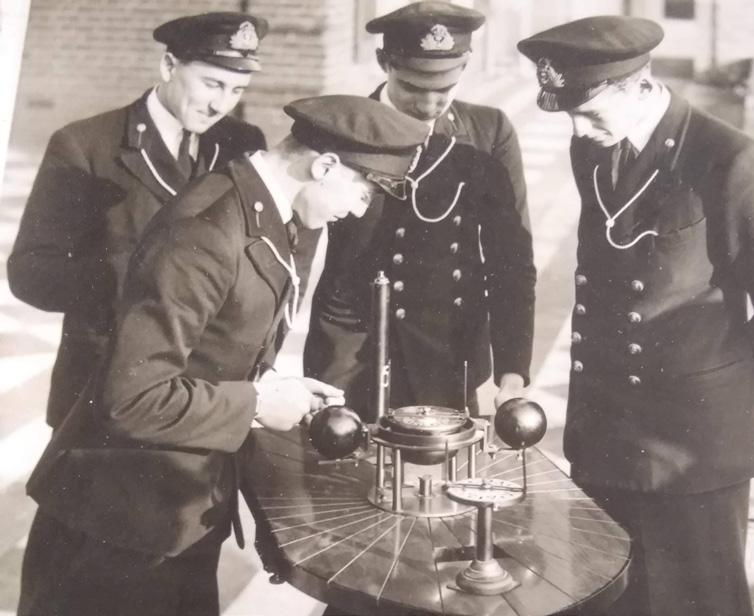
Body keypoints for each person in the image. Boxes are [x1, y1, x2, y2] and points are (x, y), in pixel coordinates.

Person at [18, 95, 430, 616]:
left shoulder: (257, 209)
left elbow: (212, 342)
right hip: (114, 530)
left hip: (170, 511)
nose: (360, 209)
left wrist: (276, 386)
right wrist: (257, 404)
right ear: (324, 166)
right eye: (364, 190)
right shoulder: (209, 228)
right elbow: (132, 398)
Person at [518, 15, 754, 616]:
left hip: (694, 454)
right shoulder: (593, 147)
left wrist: (734, 405)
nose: (578, 129)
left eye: (589, 112)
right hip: (605, 436)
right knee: (604, 598)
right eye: (569, 115)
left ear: (641, 86)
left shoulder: (732, 161)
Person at [7, 11, 268, 430]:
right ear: (168, 65)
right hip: (104, 381)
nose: (221, 105)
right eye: (211, 84)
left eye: (236, 90)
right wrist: (132, 280)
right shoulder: (87, 145)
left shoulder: (242, 143)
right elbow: (29, 271)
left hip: (206, 387)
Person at [304, 1, 536, 419]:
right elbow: (296, 248)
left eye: (445, 88)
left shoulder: (489, 132)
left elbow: (511, 259)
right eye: (413, 87)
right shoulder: (342, 126)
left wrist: (513, 371)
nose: (430, 104)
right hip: (349, 351)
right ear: (384, 63)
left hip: (446, 355)